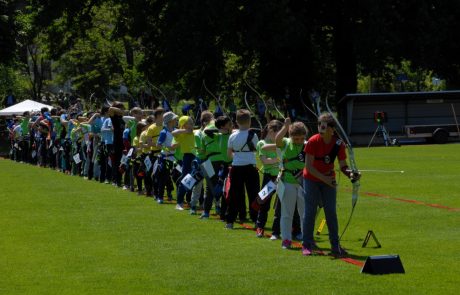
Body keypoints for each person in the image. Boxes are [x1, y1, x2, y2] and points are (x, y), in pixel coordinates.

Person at [301, 112, 360, 257]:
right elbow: (309, 167)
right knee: (310, 211)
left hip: (328, 181)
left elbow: (343, 166)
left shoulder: (338, 144)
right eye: (320, 125)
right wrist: (325, 179)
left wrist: (351, 174)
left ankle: (335, 246)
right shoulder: (313, 141)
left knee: (331, 213)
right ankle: (307, 245)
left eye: (325, 126)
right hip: (311, 179)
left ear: (332, 129)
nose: (321, 129)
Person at [275, 118, 308, 249]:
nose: (299, 141)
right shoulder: (286, 143)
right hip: (287, 181)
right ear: (290, 136)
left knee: (305, 213)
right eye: (296, 139)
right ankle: (286, 239)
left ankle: (307, 239)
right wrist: (285, 127)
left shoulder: (307, 144)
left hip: (304, 182)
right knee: (286, 213)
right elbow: (277, 140)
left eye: (301, 138)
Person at [225, 109, 260, 229]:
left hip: (236, 168)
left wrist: (238, 155)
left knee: (235, 194)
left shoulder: (232, 135)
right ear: (250, 121)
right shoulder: (253, 135)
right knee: (253, 194)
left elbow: (229, 154)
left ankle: (230, 221)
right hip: (250, 167)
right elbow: (257, 149)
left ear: (236, 122)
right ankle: (256, 220)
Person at [254, 120, 283, 237]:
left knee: (281, 204)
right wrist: (279, 159)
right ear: (270, 131)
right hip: (270, 177)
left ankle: (279, 230)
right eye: (277, 132)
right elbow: (265, 161)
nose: (279, 136)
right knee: (264, 202)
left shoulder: (280, 144)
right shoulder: (261, 143)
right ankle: (260, 227)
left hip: (281, 176)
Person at [172, 116, 195, 210]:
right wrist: (185, 131)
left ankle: (199, 202)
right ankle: (179, 202)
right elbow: (173, 132)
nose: (192, 124)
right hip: (187, 157)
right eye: (189, 123)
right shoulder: (182, 134)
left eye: (192, 122)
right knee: (186, 179)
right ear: (184, 125)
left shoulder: (196, 132)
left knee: (198, 179)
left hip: (197, 157)